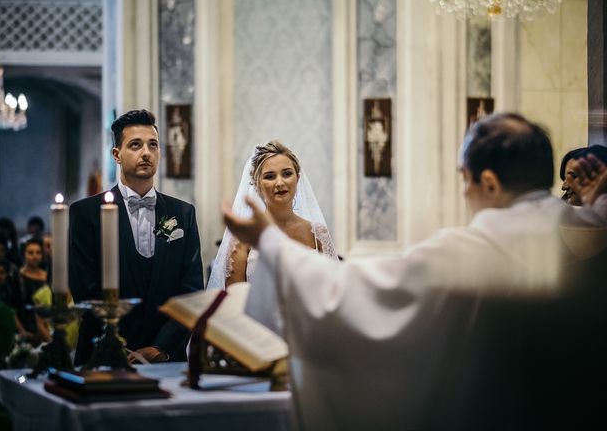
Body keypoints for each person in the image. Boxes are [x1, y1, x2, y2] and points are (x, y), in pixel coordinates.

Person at [224, 113, 607, 430]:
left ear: (487, 182)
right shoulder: (593, 235)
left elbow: (344, 296)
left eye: (464, 178)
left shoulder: (464, 255)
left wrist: (267, 241)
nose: (463, 191)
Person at [69, 109, 203, 365]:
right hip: (102, 354)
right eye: (135, 145)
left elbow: (192, 291)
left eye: (153, 145)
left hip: (166, 359)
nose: (146, 153)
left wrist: (161, 347)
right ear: (116, 155)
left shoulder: (183, 214)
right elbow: (85, 290)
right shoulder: (85, 213)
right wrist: (116, 345)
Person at [208, 140, 336, 290]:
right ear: (257, 184)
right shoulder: (243, 237)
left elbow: (334, 289)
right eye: (269, 176)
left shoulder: (318, 234)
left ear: (298, 178)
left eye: (287, 174)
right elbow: (235, 301)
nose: (280, 182)